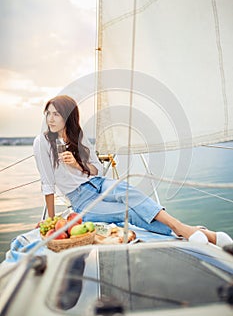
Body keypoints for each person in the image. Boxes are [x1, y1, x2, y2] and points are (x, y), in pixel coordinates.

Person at [33, 95, 232, 247]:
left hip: (99, 184)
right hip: (81, 199)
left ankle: (182, 229)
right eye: (48, 113)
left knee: (127, 190)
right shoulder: (42, 142)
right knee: (130, 212)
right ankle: (198, 233)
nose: (50, 119)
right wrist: (51, 221)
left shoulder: (79, 136)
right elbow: (47, 183)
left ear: (68, 115)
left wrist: (77, 165)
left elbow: (98, 169)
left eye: (56, 113)